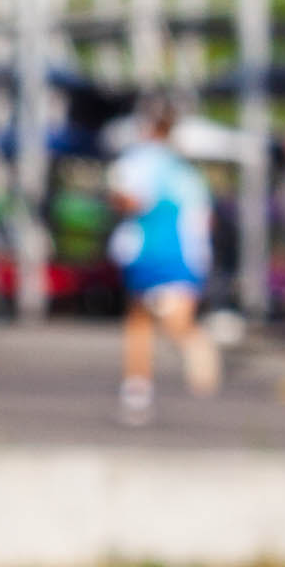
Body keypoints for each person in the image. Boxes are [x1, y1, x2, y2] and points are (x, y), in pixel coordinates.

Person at [102, 104, 217, 419]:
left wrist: (115, 199)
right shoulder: (186, 171)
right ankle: (137, 383)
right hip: (183, 253)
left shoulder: (139, 163)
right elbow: (205, 218)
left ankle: (151, 377)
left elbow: (131, 201)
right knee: (142, 317)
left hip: (152, 249)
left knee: (157, 319)